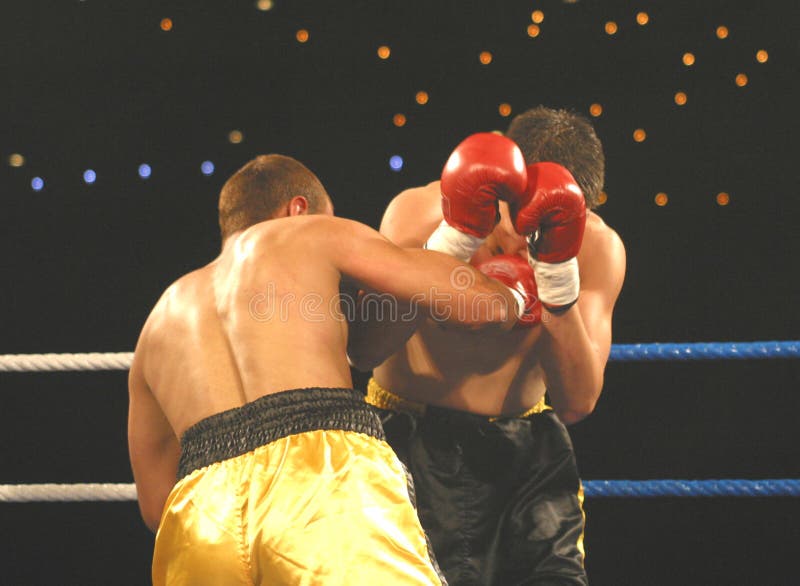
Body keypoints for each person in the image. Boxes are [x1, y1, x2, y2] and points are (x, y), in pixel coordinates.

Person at [127, 153, 534, 585]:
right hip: (320, 484)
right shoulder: (308, 234)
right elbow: (471, 305)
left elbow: (156, 506)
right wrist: (516, 295)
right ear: (298, 210)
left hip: (200, 518)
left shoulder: (158, 320)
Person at [349, 107, 626, 585]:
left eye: (547, 224)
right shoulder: (417, 214)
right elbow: (365, 350)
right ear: (504, 182)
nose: (522, 236)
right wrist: (449, 247)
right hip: (403, 443)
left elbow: (579, 401)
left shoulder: (598, 250)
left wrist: (556, 275)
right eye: (516, 213)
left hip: (526, 461)